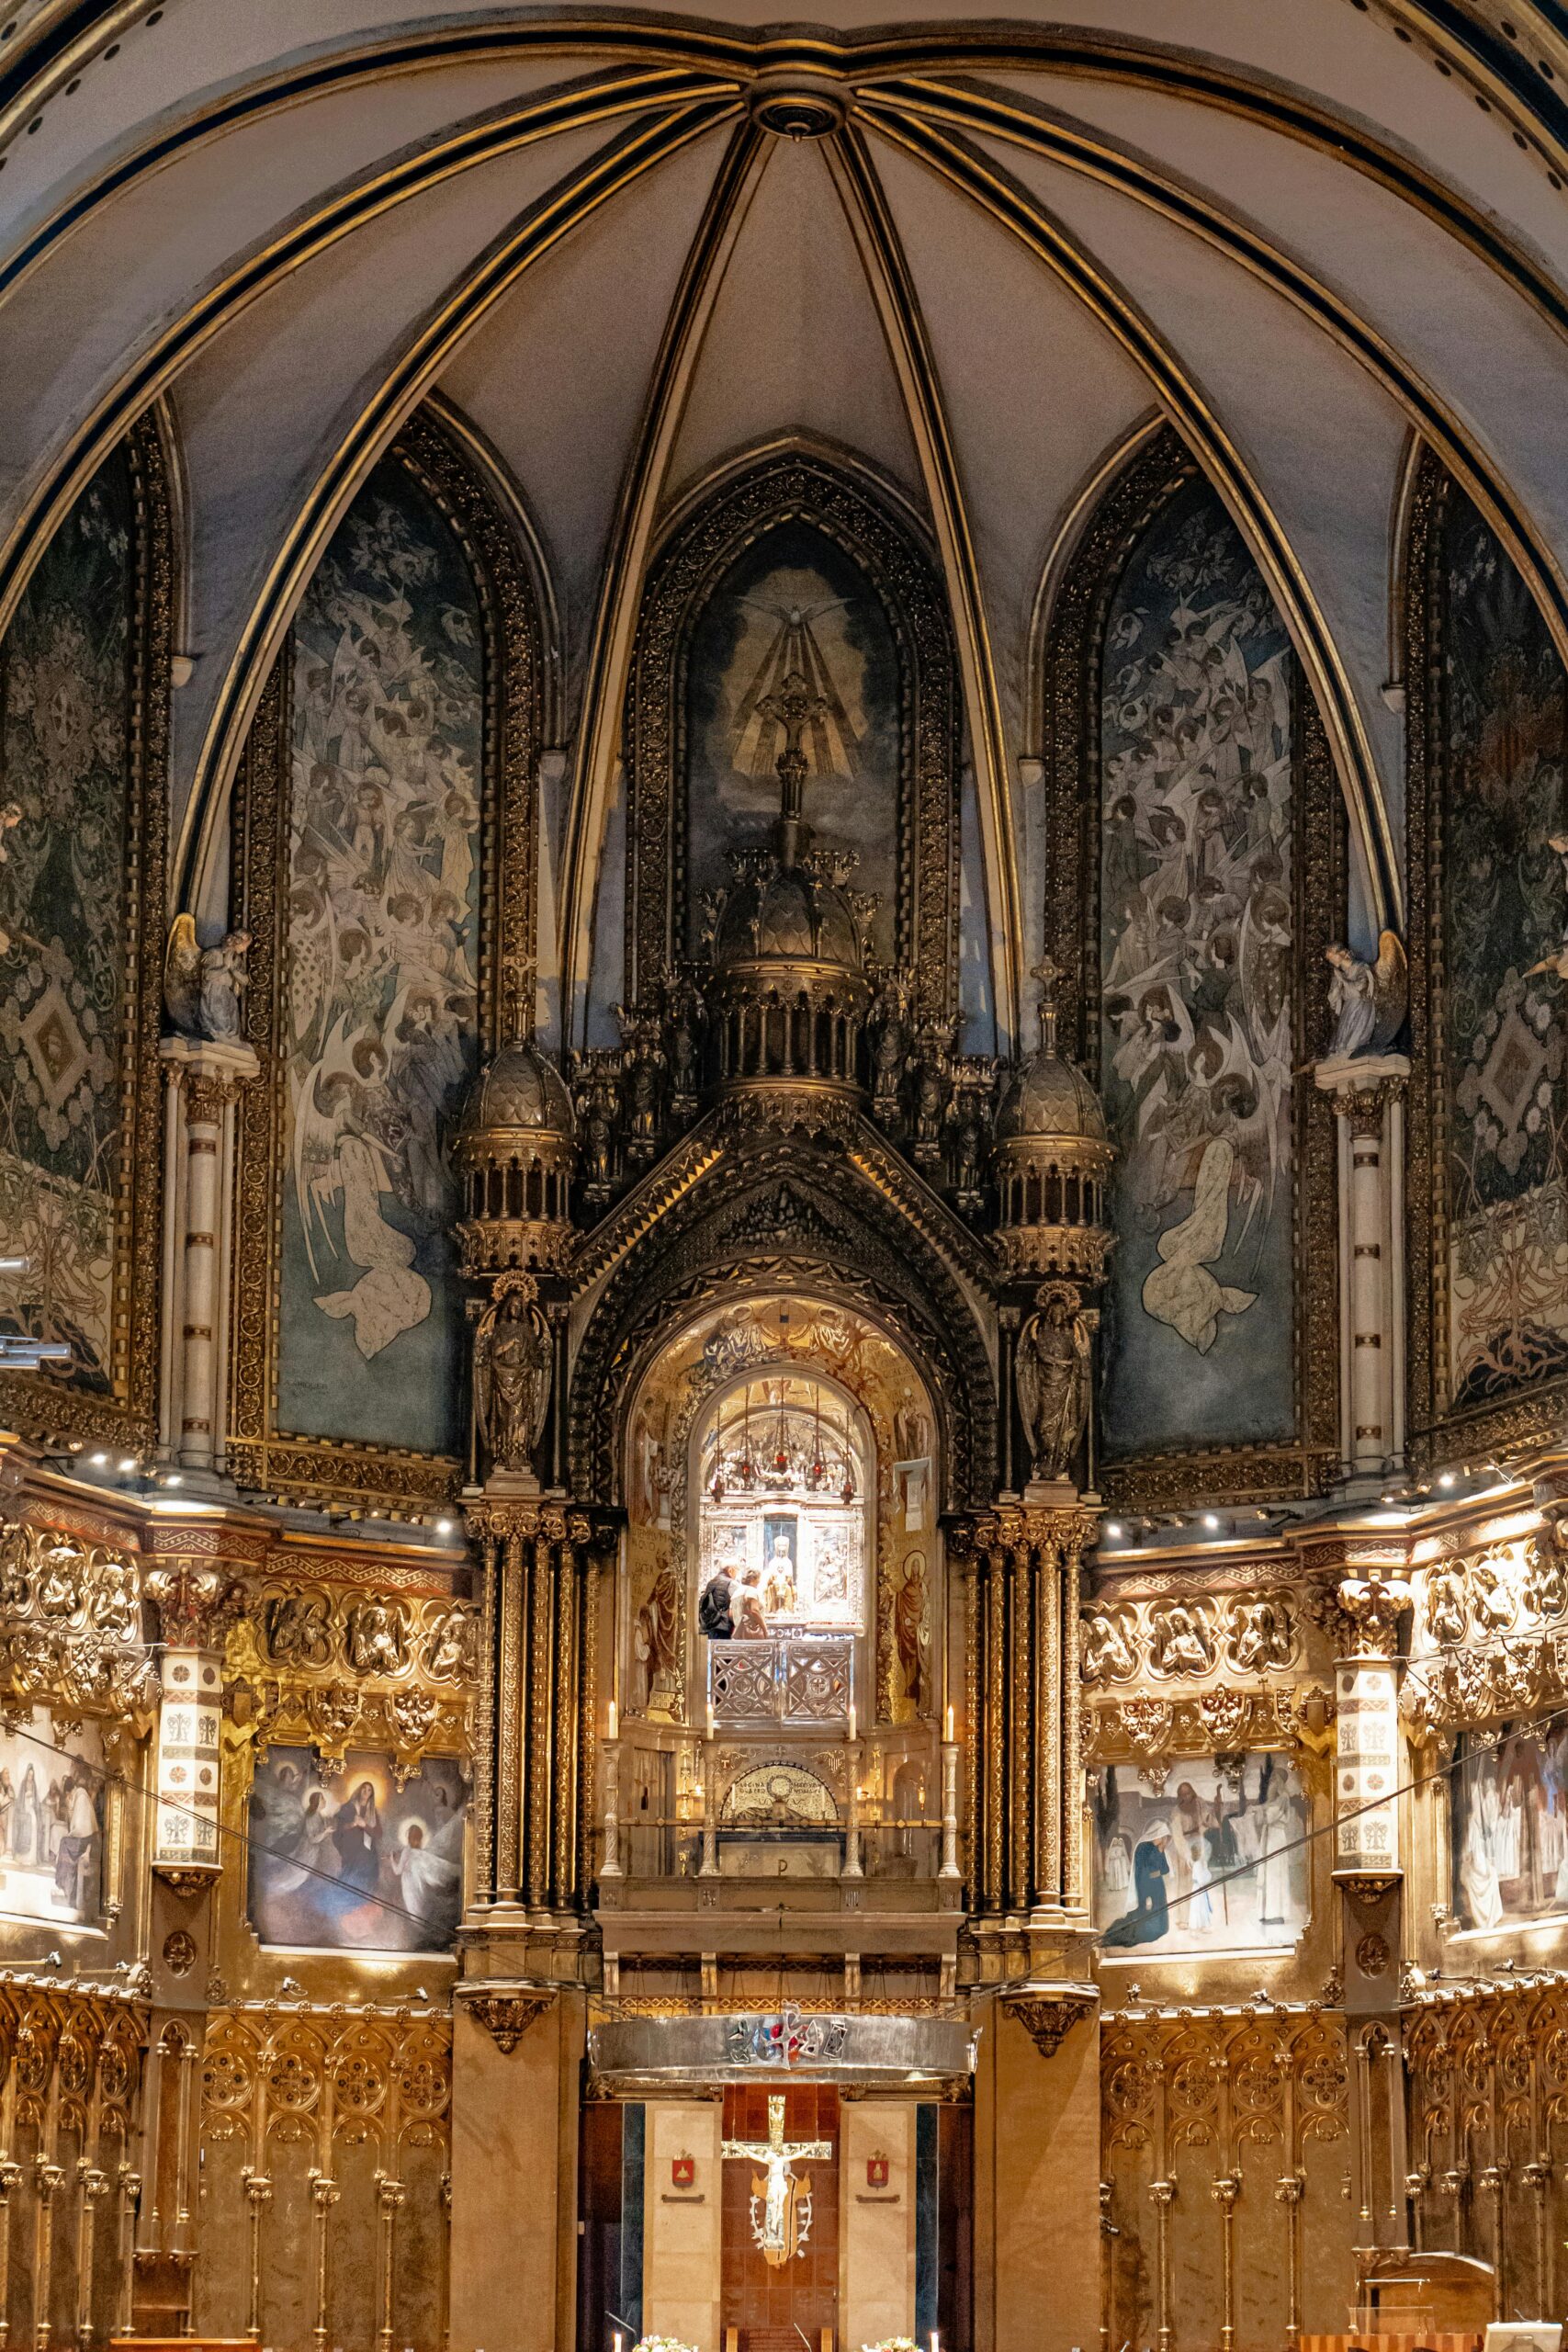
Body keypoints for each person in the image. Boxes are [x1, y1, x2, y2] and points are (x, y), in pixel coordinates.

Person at [1102, 1821, 1172, 1947]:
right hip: (1145, 1885)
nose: (1164, 1840)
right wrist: (1149, 1886)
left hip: (1158, 1886)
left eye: (1165, 1837)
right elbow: (1142, 1871)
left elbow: (1165, 1869)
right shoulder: (1142, 1847)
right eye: (1162, 1836)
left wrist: (1161, 1851)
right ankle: (1144, 1932)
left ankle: (1159, 1929)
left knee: (1159, 1910)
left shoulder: (1159, 1849)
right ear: (1155, 1834)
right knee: (1145, 1910)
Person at [52, 1770, 98, 1911]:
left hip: (85, 1840)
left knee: (64, 1843)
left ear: (70, 1790)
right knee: (64, 1842)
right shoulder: (79, 1795)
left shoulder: (81, 1797)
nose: (68, 1796)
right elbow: (75, 1822)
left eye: (68, 1794)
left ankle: (64, 1885)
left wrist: (70, 1834)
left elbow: (79, 1827)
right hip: (84, 1837)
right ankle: (64, 1884)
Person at [333, 1781, 382, 1894]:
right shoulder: (348, 1807)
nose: (366, 1792)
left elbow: (378, 1834)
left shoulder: (373, 1813)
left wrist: (365, 1825)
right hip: (351, 1850)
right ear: (360, 1790)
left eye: (369, 1790)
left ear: (371, 1794)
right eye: (364, 1788)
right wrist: (352, 1824)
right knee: (348, 1881)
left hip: (366, 1853)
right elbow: (339, 1829)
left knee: (365, 1884)